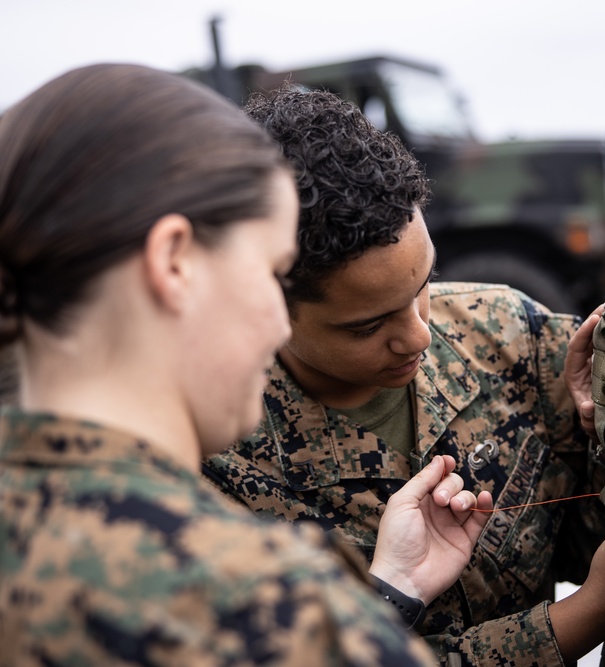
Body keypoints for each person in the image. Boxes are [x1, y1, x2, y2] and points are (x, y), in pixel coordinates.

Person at [0, 63, 493, 666]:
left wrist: (394, 589)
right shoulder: (266, 610)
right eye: (268, 271)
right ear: (175, 263)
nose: (279, 324)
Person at [201, 84, 605, 666]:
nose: (417, 335)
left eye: (423, 287)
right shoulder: (216, 455)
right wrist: (597, 606)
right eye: (367, 326)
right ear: (263, 303)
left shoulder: (506, 330)